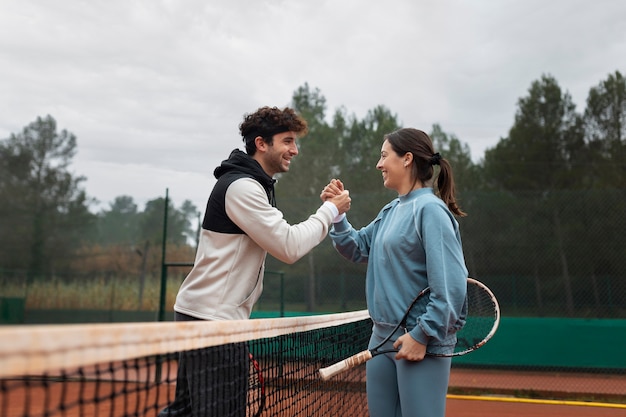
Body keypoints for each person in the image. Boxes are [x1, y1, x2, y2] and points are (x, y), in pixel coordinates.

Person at [159, 106, 351, 417]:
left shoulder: (253, 184)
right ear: (261, 143)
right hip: (213, 322)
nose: (294, 150)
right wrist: (329, 211)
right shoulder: (242, 188)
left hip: (207, 317)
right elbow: (289, 246)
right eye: (287, 141)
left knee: (186, 412)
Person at [321, 128, 468, 417]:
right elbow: (358, 248)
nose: (379, 164)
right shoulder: (390, 211)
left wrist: (422, 335)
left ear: (407, 159)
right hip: (381, 339)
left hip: (419, 341)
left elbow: (451, 287)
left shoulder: (431, 211)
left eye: (384, 155)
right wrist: (337, 215)